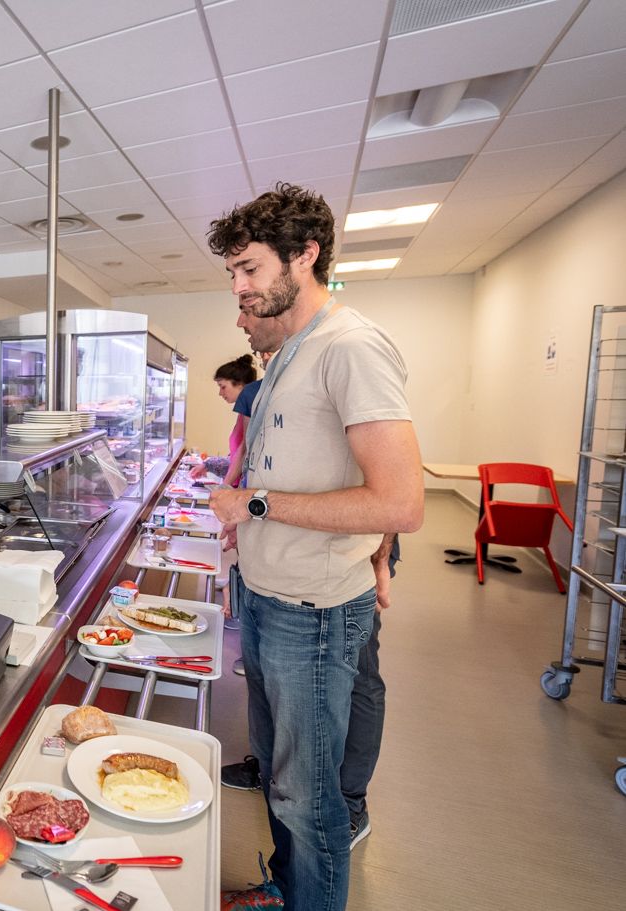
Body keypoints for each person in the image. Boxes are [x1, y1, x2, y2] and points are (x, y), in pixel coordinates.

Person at [206, 184, 423, 910]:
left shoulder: (350, 345)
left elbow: (401, 497)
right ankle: (281, 889)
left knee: (310, 800)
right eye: (233, 272)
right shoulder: (290, 354)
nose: (239, 286)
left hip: (313, 616)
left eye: (250, 269)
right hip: (267, 601)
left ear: (306, 254)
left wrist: (254, 504)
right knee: (280, 779)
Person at [189, 354, 256, 483]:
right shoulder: (243, 414)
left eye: (223, 386)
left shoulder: (250, 412)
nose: (220, 393)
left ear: (241, 385)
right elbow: (236, 457)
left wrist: (224, 487)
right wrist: (208, 464)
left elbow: (244, 454)